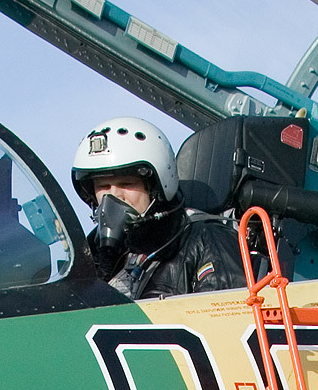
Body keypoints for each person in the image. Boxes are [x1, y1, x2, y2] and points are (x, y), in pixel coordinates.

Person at [72, 118, 246, 300]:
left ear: (156, 188)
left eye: (126, 184)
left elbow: (224, 316)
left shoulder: (205, 239)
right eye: (104, 186)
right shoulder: (91, 253)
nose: (114, 196)